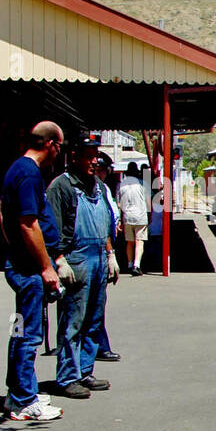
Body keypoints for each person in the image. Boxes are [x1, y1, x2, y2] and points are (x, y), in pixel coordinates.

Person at [0, 121, 66, 421]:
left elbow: (3, 211)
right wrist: (45, 266)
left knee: (19, 329)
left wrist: (11, 245)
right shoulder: (29, 174)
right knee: (29, 334)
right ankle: (25, 401)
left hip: (19, 263)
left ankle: (18, 392)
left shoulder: (17, 169)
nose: (58, 152)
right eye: (59, 146)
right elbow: (29, 223)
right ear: (50, 144)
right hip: (29, 271)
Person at [46, 136, 119, 399]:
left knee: (93, 320)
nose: (94, 161)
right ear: (74, 157)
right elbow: (51, 227)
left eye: (95, 155)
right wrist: (58, 260)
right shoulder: (61, 187)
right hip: (76, 258)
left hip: (99, 256)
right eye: (88, 156)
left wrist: (110, 254)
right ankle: (67, 376)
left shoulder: (98, 185)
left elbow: (106, 222)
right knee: (73, 322)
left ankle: (85, 370)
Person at [93, 154, 121, 362]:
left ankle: (99, 346)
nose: (103, 173)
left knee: (97, 304)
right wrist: (110, 252)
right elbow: (99, 224)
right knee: (91, 305)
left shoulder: (102, 188)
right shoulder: (91, 189)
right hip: (92, 252)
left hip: (102, 250)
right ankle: (99, 347)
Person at [117, 161, 149, 275]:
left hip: (127, 217)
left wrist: (120, 220)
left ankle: (129, 264)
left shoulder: (121, 185)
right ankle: (136, 265)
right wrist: (149, 216)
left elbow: (119, 204)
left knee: (129, 242)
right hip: (140, 216)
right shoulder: (142, 184)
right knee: (139, 241)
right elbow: (149, 202)